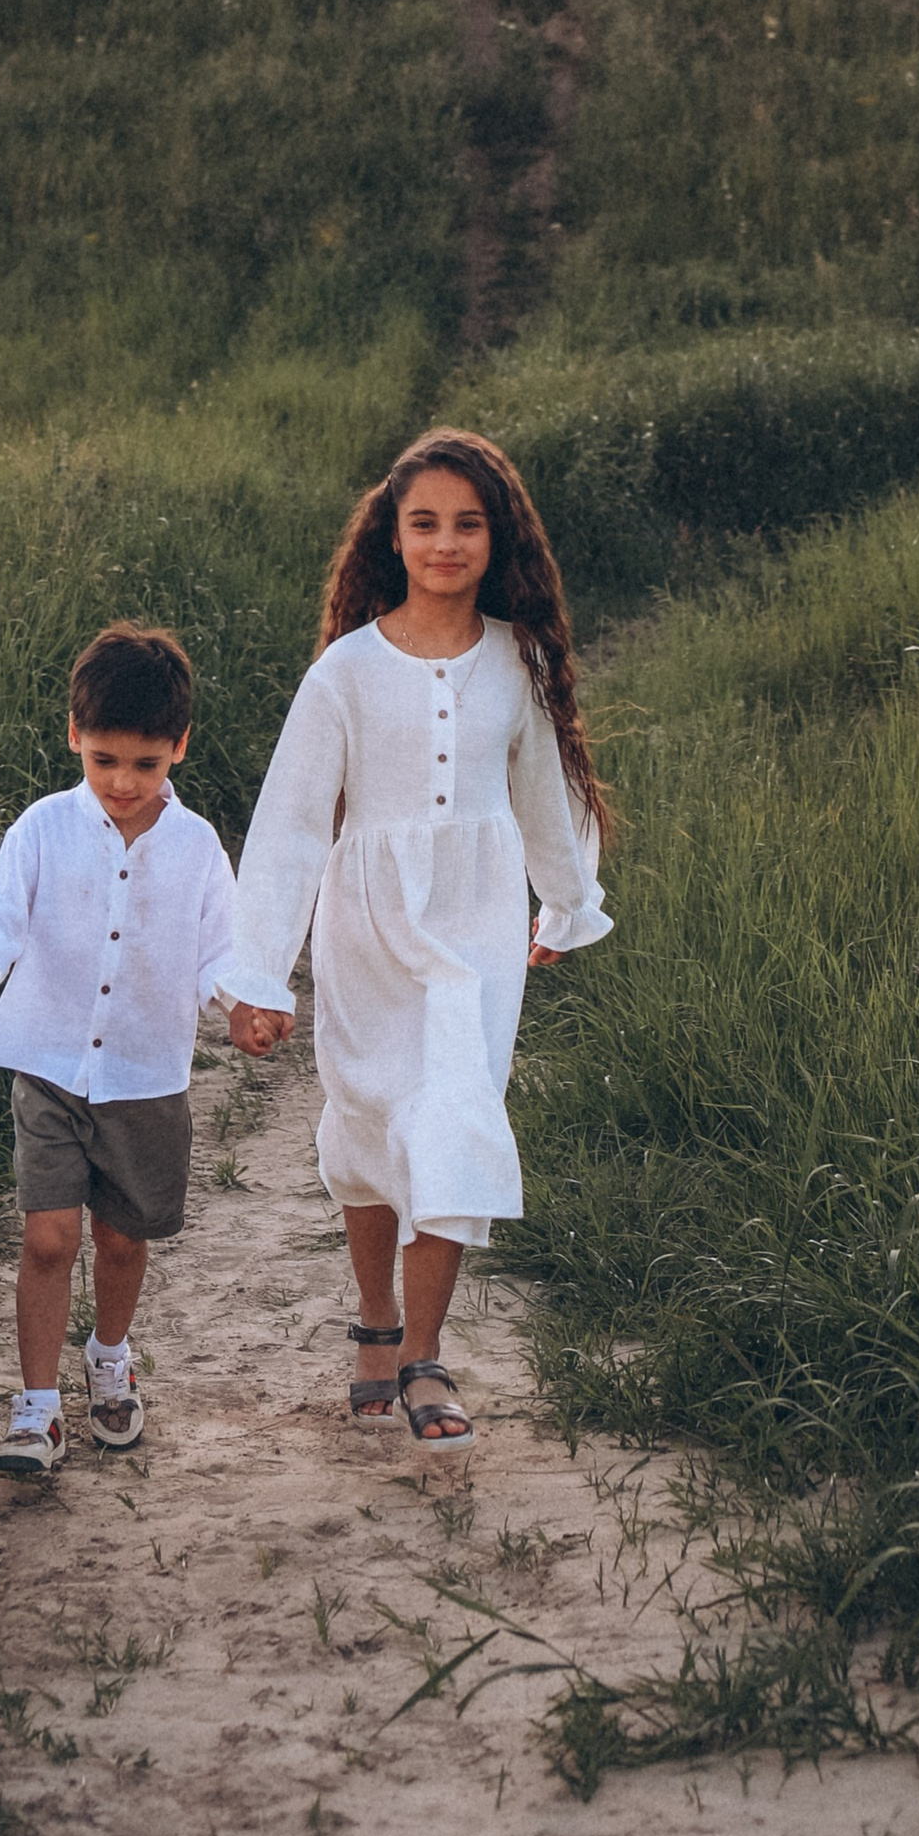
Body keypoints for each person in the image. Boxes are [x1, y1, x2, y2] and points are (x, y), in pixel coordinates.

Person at [225, 429, 611, 1447]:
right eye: (425, 523)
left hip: (476, 924)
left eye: (467, 524)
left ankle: (423, 1357)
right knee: (367, 1120)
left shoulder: (516, 659)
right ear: (391, 538)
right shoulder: (343, 674)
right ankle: (375, 1324)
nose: (446, 543)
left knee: (453, 1112)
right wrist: (258, 968)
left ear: (498, 538)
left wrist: (565, 904)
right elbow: (294, 822)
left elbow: (545, 791)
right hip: (367, 925)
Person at [0, 623, 236, 1478]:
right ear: (74, 734)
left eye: (145, 763)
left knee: (122, 1241)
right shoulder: (41, 829)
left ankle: (109, 1354)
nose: (123, 783)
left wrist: (244, 1007)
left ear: (179, 746)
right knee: (50, 1238)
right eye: (104, 760)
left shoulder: (199, 847)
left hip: (146, 1075)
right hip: (50, 1066)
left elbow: (223, 951)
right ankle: (36, 1410)